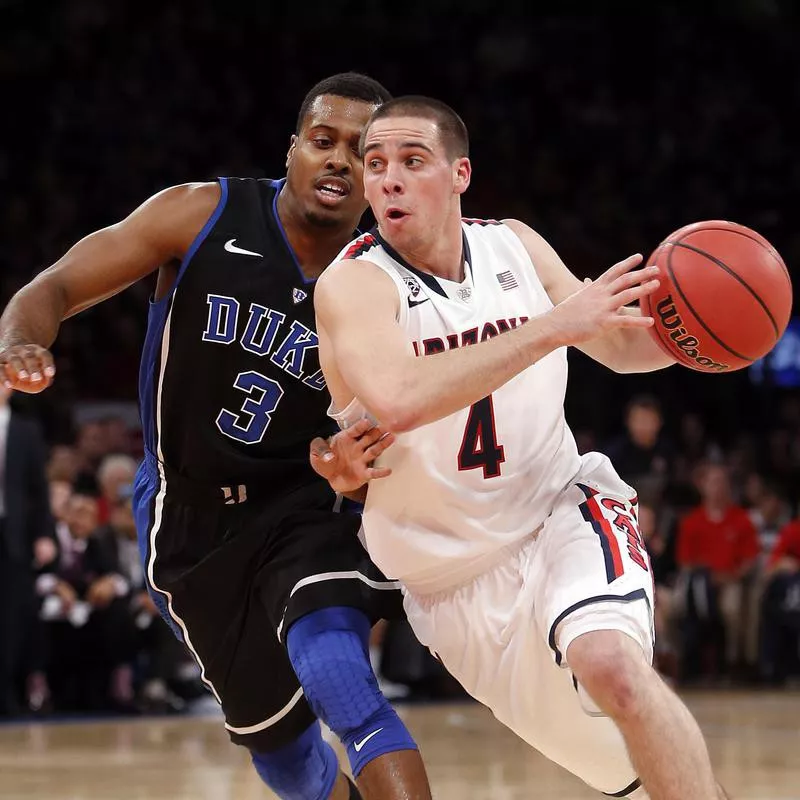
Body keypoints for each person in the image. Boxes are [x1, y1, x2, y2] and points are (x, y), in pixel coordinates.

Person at [0, 74, 432, 800]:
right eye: (322, 142)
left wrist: (355, 464)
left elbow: (391, 415)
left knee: (340, 676)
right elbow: (55, 287)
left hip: (306, 506)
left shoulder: (384, 280)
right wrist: (20, 343)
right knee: (288, 761)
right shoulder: (201, 213)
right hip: (187, 516)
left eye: (361, 152)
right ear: (292, 148)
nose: (337, 161)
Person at [313, 95, 730, 798]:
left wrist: (709, 336)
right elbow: (401, 397)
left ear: (459, 175)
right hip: (450, 582)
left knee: (614, 669)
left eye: (412, 161)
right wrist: (551, 327)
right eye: (375, 163)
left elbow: (621, 346)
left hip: (559, 509)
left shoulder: (515, 245)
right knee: (625, 773)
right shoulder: (352, 285)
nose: (387, 179)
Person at [0, 383, 57, 716]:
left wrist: (44, 534)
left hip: (13, 534)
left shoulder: (26, 430)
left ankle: (6, 694)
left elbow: (39, 489)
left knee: (10, 619)